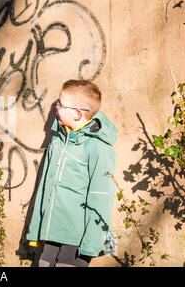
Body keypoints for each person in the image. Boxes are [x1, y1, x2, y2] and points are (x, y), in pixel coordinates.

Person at [26, 79, 118, 267]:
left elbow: (101, 197)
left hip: (78, 238)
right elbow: (44, 189)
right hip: (52, 234)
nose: (56, 108)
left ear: (77, 114)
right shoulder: (57, 143)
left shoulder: (98, 148)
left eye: (60, 104)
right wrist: (37, 231)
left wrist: (91, 243)